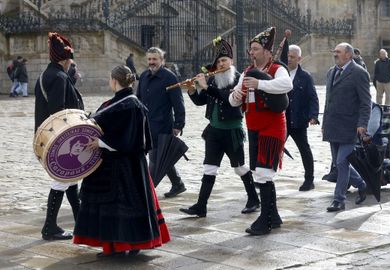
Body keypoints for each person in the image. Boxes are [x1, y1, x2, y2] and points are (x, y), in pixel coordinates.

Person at [73, 65, 170, 257]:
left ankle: (129, 244)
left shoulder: (130, 104)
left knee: (122, 207)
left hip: (125, 168)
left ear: (114, 81)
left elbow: (130, 138)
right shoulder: (118, 102)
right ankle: (117, 246)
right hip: (114, 166)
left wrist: (101, 142)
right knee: (117, 208)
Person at [179, 37, 260, 217]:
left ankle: (254, 199)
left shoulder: (239, 79)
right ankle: (201, 206)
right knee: (209, 167)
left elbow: (228, 99)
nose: (221, 64)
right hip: (214, 131)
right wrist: (192, 90)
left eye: (224, 60)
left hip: (232, 131)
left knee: (239, 167)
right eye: (218, 61)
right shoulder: (214, 79)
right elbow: (202, 101)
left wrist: (206, 87)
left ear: (231, 61)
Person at [229, 27, 293, 235]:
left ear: (266, 51)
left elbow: (287, 84)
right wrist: (236, 96)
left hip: (272, 128)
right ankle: (273, 217)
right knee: (260, 173)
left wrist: (260, 83)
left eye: (255, 49)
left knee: (264, 174)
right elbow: (233, 100)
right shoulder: (247, 72)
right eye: (250, 49)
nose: (251, 53)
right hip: (253, 128)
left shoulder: (276, 68)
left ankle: (264, 221)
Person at [34, 32, 82, 240]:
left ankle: (80, 221)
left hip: (51, 137)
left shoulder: (48, 75)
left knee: (70, 180)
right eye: (70, 58)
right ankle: (49, 227)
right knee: (62, 181)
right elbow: (59, 112)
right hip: (61, 139)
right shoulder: (59, 77)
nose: (72, 62)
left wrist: (70, 81)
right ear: (65, 59)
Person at [322, 42, 370, 212]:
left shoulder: (359, 73)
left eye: (338, 52)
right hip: (333, 125)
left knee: (342, 161)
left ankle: (339, 199)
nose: (335, 54)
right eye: (334, 51)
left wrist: (363, 124)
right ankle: (362, 184)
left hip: (350, 126)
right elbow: (328, 100)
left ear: (349, 55)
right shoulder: (331, 72)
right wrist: (324, 123)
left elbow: (366, 102)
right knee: (338, 162)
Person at [137, 47, 186, 198]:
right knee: (162, 156)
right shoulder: (144, 76)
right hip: (147, 124)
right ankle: (178, 184)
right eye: (149, 59)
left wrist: (178, 124)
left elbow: (178, 103)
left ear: (162, 60)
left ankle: (146, 192)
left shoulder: (169, 77)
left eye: (155, 59)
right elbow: (138, 98)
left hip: (163, 125)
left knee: (155, 158)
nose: (152, 62)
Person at [286, 44, 319, 191]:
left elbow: (313, 97)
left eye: (292, 57)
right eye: (288, 56)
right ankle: (266, 178)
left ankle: (309, 180)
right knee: (274, 149)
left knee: (304, 150)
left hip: (299, 120)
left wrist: (313, 116)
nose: (289, 59)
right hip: (282, 120)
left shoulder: (305, 77)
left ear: (299, 58)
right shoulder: (279, 73)